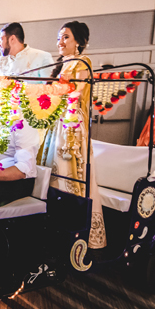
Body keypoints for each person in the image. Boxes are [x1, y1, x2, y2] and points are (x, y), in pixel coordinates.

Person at [38, 21, 106, 249]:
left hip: (71, 127)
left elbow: (75, 93)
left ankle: (75, 230)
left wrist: (50, 94)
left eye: (66, 37)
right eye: (59, 37)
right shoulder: (62, 65)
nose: (60, 42)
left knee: (69, 175)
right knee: (51, 174)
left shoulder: (82, 62)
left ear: (79, 42)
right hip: (57, 123)